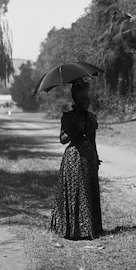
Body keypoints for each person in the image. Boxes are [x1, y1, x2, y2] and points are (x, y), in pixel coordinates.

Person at [50, 77, 103, 240]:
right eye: (82, 98)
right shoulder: (68, 117)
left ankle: (88, 229)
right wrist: (74, 130)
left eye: (87, 98)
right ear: (75, 98)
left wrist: (96, 159)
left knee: (87, 192)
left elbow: (93, 140)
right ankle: (71, 229)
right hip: (73, 159)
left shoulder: (92, 117)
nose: (86, 101)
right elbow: (62, 139)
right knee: (74, 194)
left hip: (88, 157)